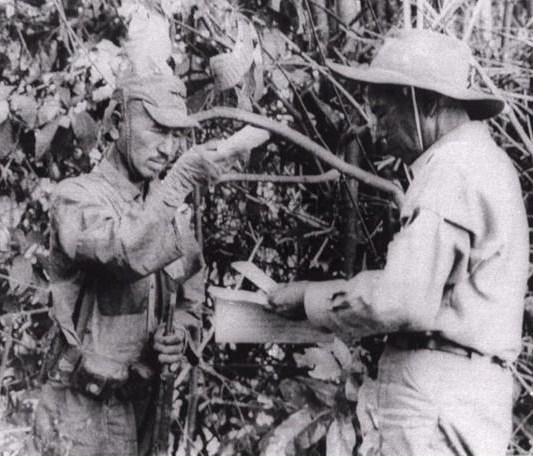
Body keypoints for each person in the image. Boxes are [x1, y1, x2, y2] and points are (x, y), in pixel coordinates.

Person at [268, 29, 528, 456]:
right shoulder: (485, 162)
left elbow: (403, 299)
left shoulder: (451, 168)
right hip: (466, 397)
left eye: (382, 112)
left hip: (436, 404)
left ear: (424, 103)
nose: (375, 128)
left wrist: (311, 299)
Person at [33, 73, 243, 455]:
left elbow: (191, 293)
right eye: (158, 130)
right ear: (116, 124)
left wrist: (177, 336)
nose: (169, 148)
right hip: (81, 416)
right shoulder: (76, 199)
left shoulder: (166, 211)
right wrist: (177, 184)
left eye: (176, 134)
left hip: (143, 408)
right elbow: (123, 251)